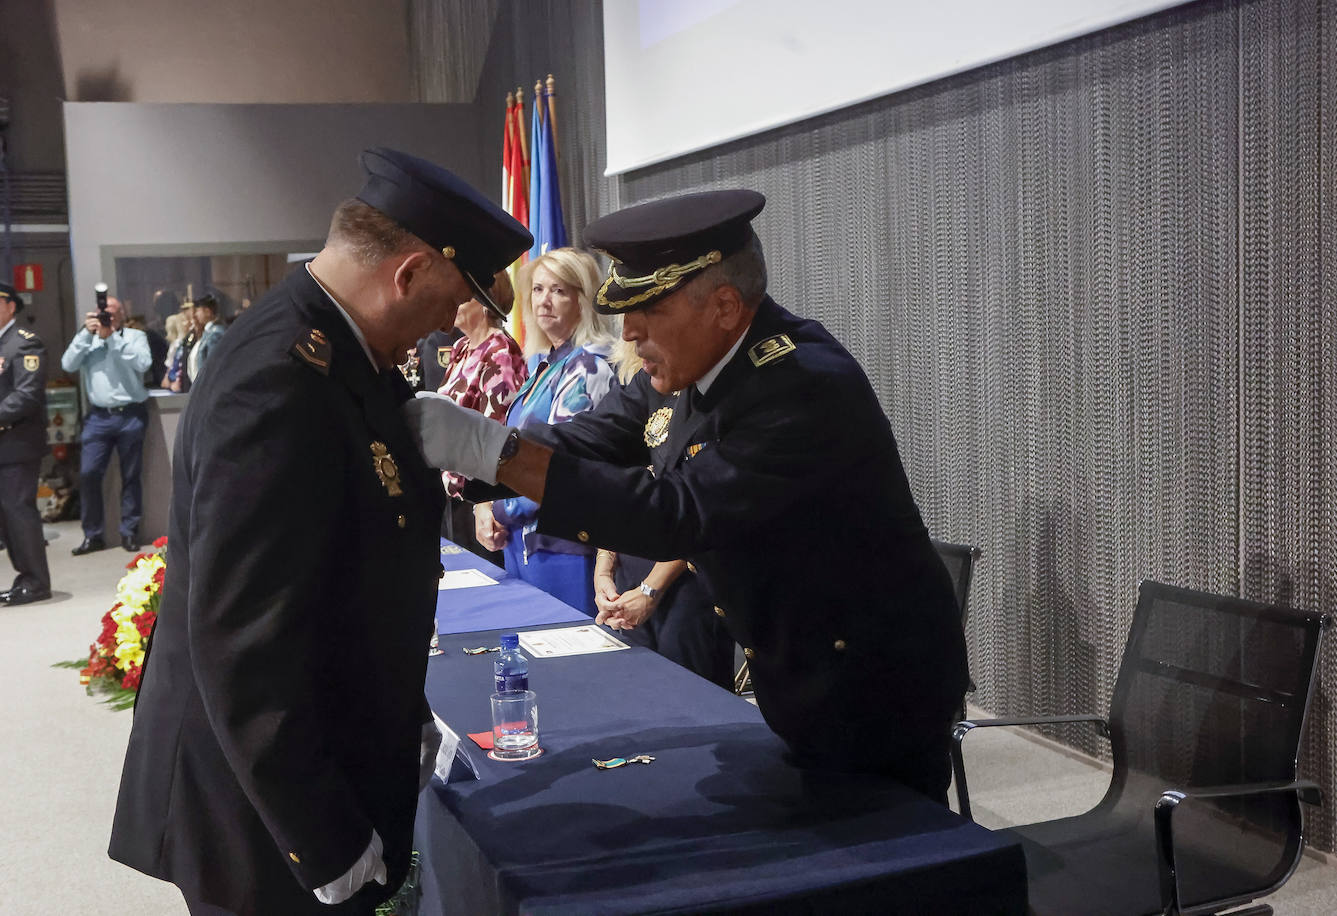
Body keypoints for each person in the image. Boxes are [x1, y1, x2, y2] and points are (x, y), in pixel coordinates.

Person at [405, 190, 969, 802]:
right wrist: (478, 447)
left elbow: (676, 515)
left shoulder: (799, 385)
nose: (630, 331)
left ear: (724, 306)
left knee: (890, 855)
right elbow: (591, 440)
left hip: (873, 682)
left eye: (648, 310)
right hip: (796, 664)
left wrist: (496, 452)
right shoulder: (682, 369)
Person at [108, 147, 532, 916]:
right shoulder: (278, 378)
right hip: (264, 816)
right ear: (405, 274)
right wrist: (322, 838)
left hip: (319, 759)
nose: (448, 325)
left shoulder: (337, 347)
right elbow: (243, 643)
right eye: (452, 299)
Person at [472, 248, 616, 614]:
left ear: (583, 299)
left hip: (565, 545)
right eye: (537, 290)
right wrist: (486, 505)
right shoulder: (544, 364)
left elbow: (558, 463)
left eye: (559, 291)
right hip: (522, 541)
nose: (544, 301)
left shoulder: (589, 366)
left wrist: (497, 510)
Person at [590, 342, 732, 688]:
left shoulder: (709, 391)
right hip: (630, 575)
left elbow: (709, 505)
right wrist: (604, 568)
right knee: (637, 695)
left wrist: (650, 591)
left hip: (684, 580)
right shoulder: (636, 384)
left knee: (689, 702)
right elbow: (618, 485)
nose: (634, 330)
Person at [435, 270, 526, 563]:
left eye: (461, 295)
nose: (453, 300)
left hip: (479, 501)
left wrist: (484, 504)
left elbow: (497, 434)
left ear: (485, 302)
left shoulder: (499, 350)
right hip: (451, 496)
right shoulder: (462, 348)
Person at [0, 278, 51, 604]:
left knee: (19, 514)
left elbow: (27, 394)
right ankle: (24, 576)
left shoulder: (24, 344)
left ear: (10, 306)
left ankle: (36, 582)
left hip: (16, 444)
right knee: (2, 518)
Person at [61, 291, 153, 554]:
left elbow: (144, 363)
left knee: (131, 475)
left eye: (112, 313)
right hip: (98, 417)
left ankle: (129, 532)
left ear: (121, 315)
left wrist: (112, 339)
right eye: (104, 313)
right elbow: (67, 364)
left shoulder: (136, 337)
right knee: (89, 474)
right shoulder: (88, 339)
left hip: (131, 414)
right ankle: (93, 535)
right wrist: (84, 335)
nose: (108, 317)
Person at [186, 294, 225, 383]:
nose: (196, 314)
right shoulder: (208, 333)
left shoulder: (216, 333)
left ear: (207, 312)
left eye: (198, 310)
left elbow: (213, 367)